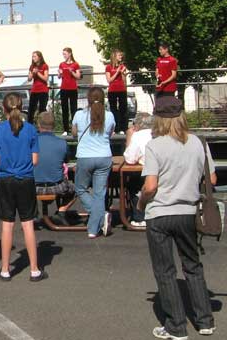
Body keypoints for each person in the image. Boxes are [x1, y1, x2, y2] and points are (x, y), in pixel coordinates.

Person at [137, 96, 215, 340]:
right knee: (192, 265)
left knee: (165, 270)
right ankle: (205, 320)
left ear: (158, 118)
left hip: (160, 212)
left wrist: (140, 202)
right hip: (188, 211)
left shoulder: (155, 145)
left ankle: (176, 326)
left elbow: (150, 186)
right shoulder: (198, 143)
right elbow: (211, 180)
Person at [0, 93, 47, 282]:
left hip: (5, 179)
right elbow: (35, 159)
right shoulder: (30, 129)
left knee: (7, 224)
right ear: (22, 108)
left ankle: (5, 269)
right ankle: (34, 269)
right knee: (28, 224)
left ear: (3, 108)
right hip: (25, 179)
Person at [72, 87, 115, 238]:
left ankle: (98, 219)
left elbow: (74, 133)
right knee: (99, 193)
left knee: (81, 189)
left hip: (85, 156)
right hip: (104, 156)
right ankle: (96, 223)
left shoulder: (79, 114)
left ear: (88, 99)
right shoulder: (109, 115)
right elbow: (110, 133)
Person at [34, 112, 76, 226]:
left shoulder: (31, 142)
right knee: (78, 188)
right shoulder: (62, 143)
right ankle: (62, 211)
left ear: (38, 125)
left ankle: (33, 213)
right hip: (56, 186)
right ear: (53, 126)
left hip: (34, 186)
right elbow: (66, 160)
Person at [123, 112, 154, 227]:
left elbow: (130, 159)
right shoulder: (159, 134)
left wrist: (129, 138)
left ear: (137, 124)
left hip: (145, 174)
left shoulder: (137, 136)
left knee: (133, 183)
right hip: (162, 172)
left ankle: (139, 217)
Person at [58, 48, 82, 136]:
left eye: (65, 54)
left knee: (73, 109)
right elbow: (59, 76)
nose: (64, 56)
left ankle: (74, 129)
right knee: (64, 109)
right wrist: (60, 73)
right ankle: (65, 129)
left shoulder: (75, 64)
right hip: (64, 88)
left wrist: (72, 72)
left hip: (72, 89)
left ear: (70, 54)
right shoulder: (62, 64)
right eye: (63, 54)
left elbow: (78, 76)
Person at [106, 49, 128, 134]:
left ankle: (123, 128)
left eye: (121, 56)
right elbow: (109, 80)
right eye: (119, 55)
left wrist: (123, 74)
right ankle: (115, 128)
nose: (121, 57)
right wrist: (117, 72)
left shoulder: (122, 66)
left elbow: (124, 81)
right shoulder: (108, 67)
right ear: (114, 56)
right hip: (112, 90)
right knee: (113, 109)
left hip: (121, 89)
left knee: (123, 109)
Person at [28, 51, 49, 124]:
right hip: (34, 90)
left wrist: (38, 73)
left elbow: (46, 78)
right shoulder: (32, 66)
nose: (33, 58)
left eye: (35, 56)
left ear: (39, 57)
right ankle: (29, 126)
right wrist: (33, 73)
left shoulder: (44, 66)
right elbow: (29, 79)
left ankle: (42, 126)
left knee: (42, 109)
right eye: (32, 56)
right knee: (31, 109)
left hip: (43, 90)